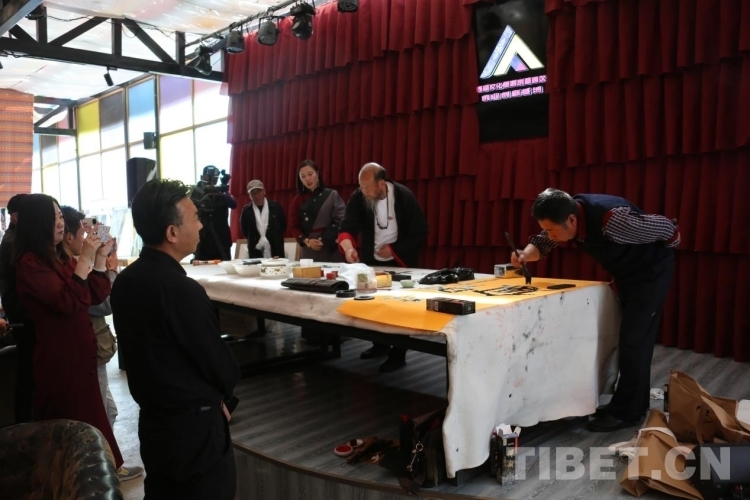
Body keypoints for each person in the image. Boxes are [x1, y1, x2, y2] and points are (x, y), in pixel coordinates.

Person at [111, 179, 241, 499]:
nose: (201, 225)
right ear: (172, 232)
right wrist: (222, 397)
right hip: (194, 429)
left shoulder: (125, 282)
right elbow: (219, 365)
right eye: (195, 217)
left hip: (153, 424)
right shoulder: (182, 291)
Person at [512, 188, 679, 432]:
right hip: (628, 273)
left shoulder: (612, 221)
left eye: (551, 230)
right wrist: (525, 254)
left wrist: (671, 243)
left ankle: (627, 414)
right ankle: (633, 404)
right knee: (633, 340)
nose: (549, 235)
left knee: (635, 341)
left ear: (571, 220)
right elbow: (545, 241)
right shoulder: (566, 214)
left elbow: (665, 227)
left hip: (651, 272)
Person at [12, 194, 135, 479]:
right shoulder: (30, 263)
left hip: (80, 354)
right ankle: (74, 478)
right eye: (54, 217)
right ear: (38, 222)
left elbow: (94, 294)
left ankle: (101, 473)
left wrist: (100, 257)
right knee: (71, 422)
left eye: (59, 216)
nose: (60, 223)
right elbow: (68, 302)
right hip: (60, 358)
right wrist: (86, 258)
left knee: (92, 417)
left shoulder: (57, 257)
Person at [338, 163, 428, 372]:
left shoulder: (404, 197)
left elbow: (421, 231)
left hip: (400, 261)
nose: (363, 191)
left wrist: (394, 249)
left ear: (381, 183)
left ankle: (398, 353)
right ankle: (379, 344)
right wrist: (349, 249)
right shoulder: (359, 197)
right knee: (372, 304)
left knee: (399, 308)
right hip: (372, 260)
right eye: (361, 187)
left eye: (367, 187)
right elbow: (347, 227)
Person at [60, 207, 120, 430]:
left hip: (91, 348)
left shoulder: (73, 263)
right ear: (68, 237)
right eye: (82, 233)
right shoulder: (73, 268)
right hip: (88, 350)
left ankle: (109, 453)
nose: (86, 238)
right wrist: (107, 267)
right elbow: (103, 303)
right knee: (101, 413)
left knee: (108, 410)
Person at [0, 193, 34, 422]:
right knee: (27, 373)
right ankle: (25, 425)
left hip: (20, 312)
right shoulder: (13, 243)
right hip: (21, 315)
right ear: (15, 217)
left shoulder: (17, 239)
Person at [289, 159, 346, 262]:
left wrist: (323, 240)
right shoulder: (297, 200)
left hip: (329, 247)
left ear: (317, 173)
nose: (307, 179)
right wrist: (307, 241)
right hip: (308, 249)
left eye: (310, 174)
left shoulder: (332, 195)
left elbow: (341, 220)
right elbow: (294, 226)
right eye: (303, 176)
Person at [193, 166, 237, 261]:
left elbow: (233, 204)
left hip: (222, 239)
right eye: (210, 176)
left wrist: (224, 191)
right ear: (202, 177)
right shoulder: (198, 191)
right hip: (203, 240)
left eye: (215, 177)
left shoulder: (221, 192)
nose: (213, 179)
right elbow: (194, 205)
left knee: (224, 266)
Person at [239, 180, 287, 259]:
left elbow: (283, 226)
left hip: (275, 246)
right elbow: (244, 231)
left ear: (264, 191)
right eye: (253, 193)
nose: (256, 195)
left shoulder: (276, 207)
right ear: (249, 195)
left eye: (258, 191)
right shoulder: (246, 210)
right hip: (255, 248)